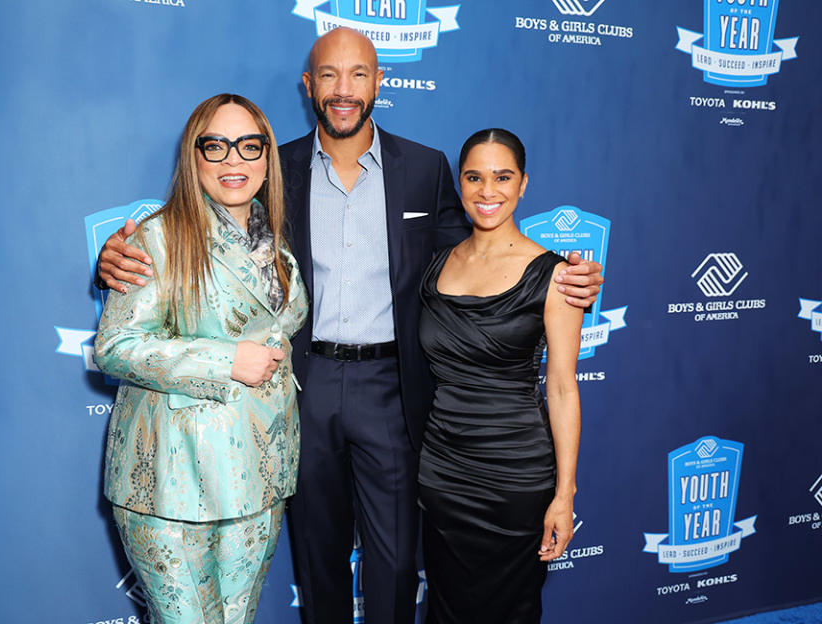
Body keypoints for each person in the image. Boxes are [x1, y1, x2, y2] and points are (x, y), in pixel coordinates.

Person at [96, 29, 603, 624]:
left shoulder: (425, 167)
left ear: (378, 82)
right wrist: (114, 256)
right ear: (308, 86)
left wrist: (558, 279)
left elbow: (475, 254)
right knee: (317, 554)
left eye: (359, 74)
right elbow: (202, 230)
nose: (344, 90)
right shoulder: (269, 167)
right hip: (298, 387)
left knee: (393, 560)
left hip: (390, 387)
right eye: (329, 76)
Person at [93, 93, 309, 624]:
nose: (233, 160)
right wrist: (224, 360)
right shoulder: (156, 237)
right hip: (173, 478)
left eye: (248, 146)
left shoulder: (272, 238)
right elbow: (114, 348)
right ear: (194, 156)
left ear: (267, 158)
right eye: (216, 146)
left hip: (260, 473)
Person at [417, 128, 582, 623]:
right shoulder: (436, 265)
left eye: (502, 176)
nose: (487, 191)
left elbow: (561, 388)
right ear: (459, 184)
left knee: (509, 607)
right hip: (442, 472)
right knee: (447, 606)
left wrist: (565, 494)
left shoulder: (556, 274)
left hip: (515, 477)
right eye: (474, 177)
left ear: (524, 184)